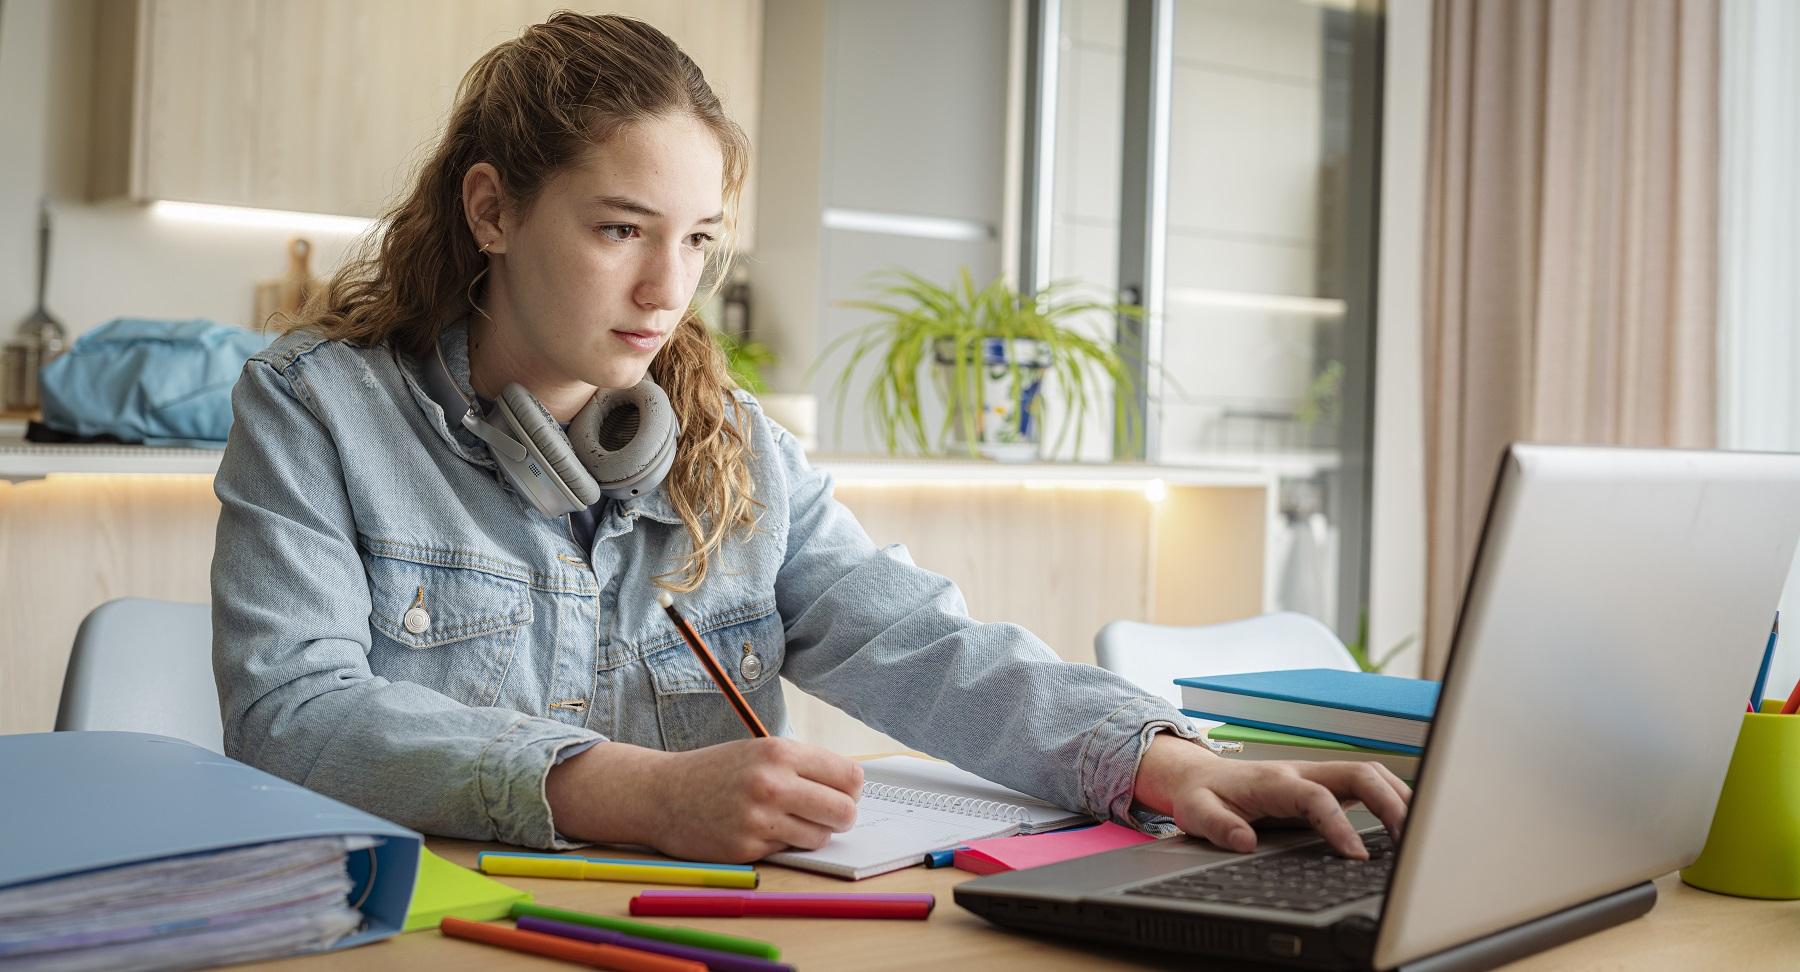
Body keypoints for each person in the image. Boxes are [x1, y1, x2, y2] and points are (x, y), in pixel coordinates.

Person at [211, 12, 1408, 865]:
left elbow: (920, 642)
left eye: (696, 241)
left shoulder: (732, 445)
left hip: (712, 942)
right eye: (622, 229)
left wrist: (1161, 761)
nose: (664, 287)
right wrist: (639, 792)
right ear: (493, 209)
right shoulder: (318, 407)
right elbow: (296, 716)